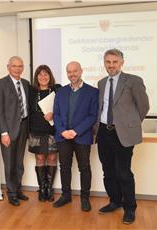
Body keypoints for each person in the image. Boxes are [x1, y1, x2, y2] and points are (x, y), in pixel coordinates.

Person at [96, 49, 149, 224]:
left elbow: (143, 107)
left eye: (115, 62)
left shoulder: (134, 81)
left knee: (123, 172)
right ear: (104, 63)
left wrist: (130, 124)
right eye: (108, 62)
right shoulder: (102, 82)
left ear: (122, 63)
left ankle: (129, 208)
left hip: (123, 133)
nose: (111, 65)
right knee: (108, 171)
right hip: (104, 132)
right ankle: (115, 201)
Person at [52, 61, 98, 212]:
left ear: (81, 71)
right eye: (69, 72)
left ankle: (85, 198)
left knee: (84, 167)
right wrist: (62, 131)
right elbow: (56, 114)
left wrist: (76, 131)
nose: (72, 74)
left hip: (82, 136)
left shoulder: (92, 92)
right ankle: (66, 196)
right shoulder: (61, 92)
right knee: (64, 167)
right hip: (63, 136)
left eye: (75, 71)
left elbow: (92, 116)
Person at [0, 56, 30, 206]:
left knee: (19, 162)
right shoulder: (0, 84)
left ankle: (18, 189)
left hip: (24, 127)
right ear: (8, 67)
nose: (17, 68)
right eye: (14, 66)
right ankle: (11, 193)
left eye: (20, 66)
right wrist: (3, 132)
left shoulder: (26, 83)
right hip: (8, 130)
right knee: (9, 162)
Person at [28, 65, 61, 202]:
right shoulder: (31, 91)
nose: (43, 77)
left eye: (46, 74)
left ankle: (49, 188)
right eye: (40, 75)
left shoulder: (57, 89)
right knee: (40, 158)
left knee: (52, 158)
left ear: (50, 76)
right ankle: (42, 188)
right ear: (36, 77)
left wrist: (53, 113)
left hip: (53, 130)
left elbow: (63, 108)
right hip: (36, 131)